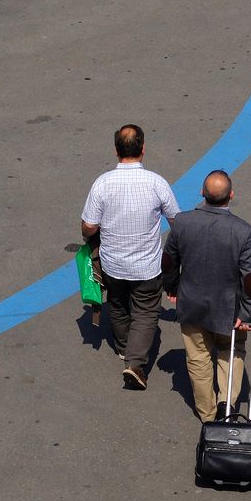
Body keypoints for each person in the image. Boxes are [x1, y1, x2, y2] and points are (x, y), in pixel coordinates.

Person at [81, 124, 180, 390]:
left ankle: (124, 347)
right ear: (143, 149)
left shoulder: (102, 183)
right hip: (147, 265)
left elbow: (88, 226)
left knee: (117, 303)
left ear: (116, 151)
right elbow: (176, 221)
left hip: (112, 263)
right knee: (146, 312)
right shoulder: (157, 183)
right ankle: (136, 363)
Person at [162, 170, 251, 422]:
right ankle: (226, 403)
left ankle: (207, 415)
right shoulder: (243, 231)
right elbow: (249, 278)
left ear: (202, 193)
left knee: (198, 358)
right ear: (232, 195)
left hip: (192, 303)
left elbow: (169, 260)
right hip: (229, 309)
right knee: (232, 350)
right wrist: (247, 314)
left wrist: (171, 288)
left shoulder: (183, 223)